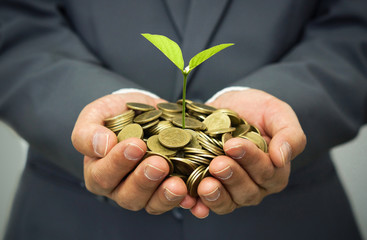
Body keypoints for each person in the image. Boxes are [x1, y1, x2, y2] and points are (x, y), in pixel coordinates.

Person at [0, 0, 366, 239]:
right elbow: (13, 23)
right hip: (69, 219)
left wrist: (280, 109)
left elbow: (355, 28)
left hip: (292, 221)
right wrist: (95, 110)